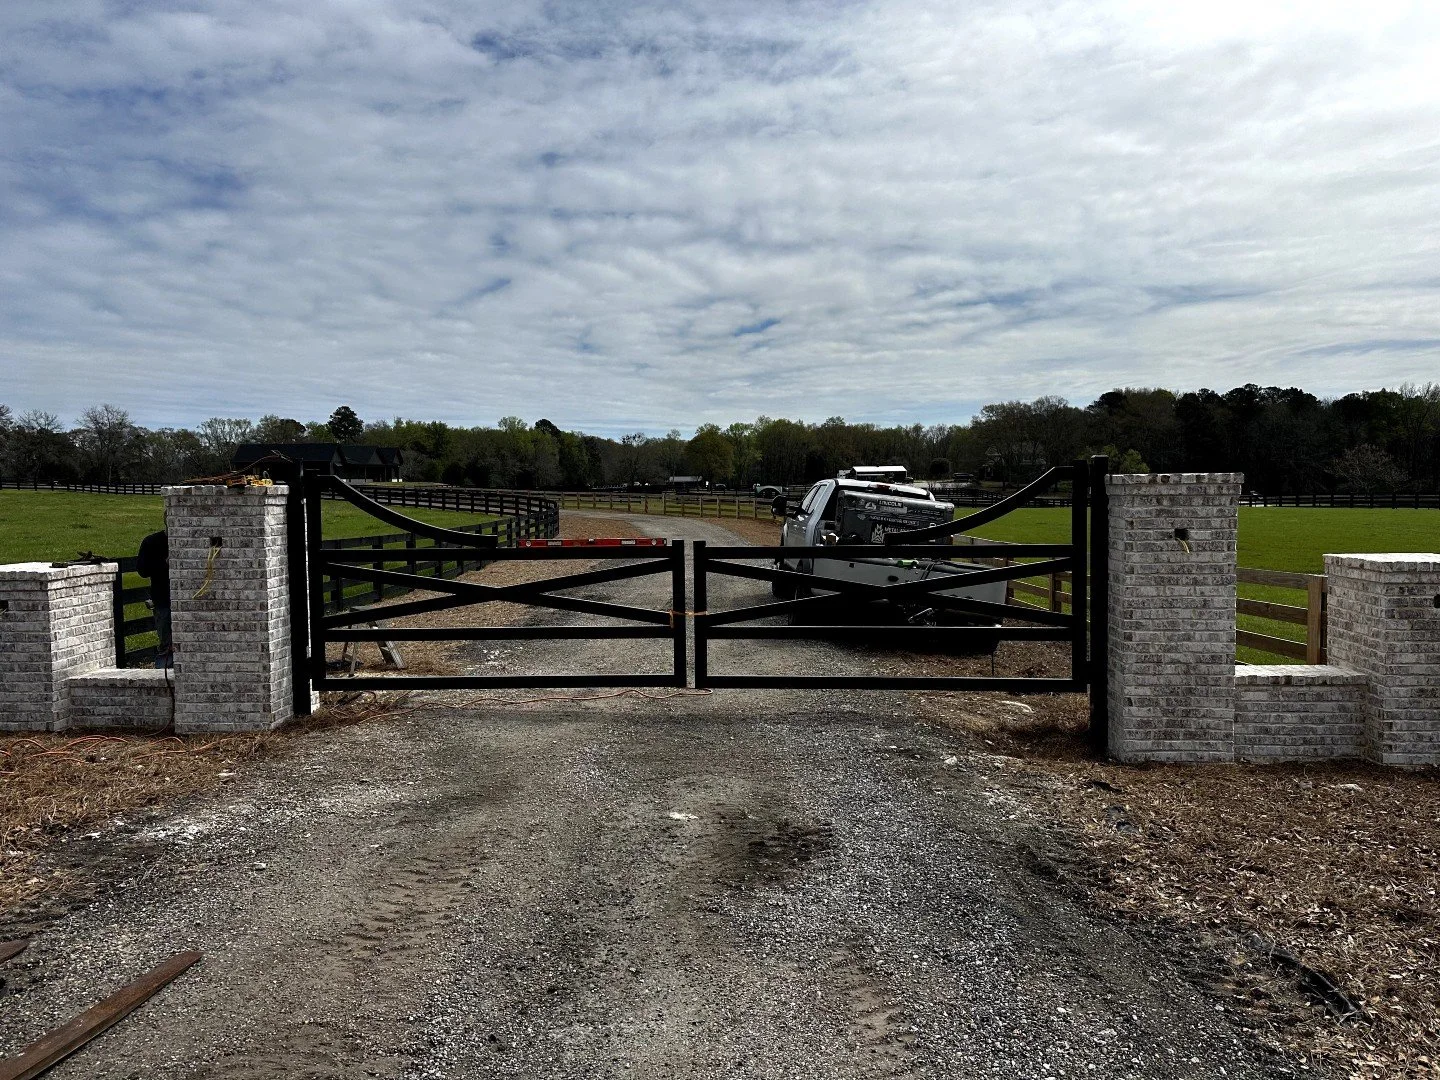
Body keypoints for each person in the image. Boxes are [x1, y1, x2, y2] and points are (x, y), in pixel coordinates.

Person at [136, 530, 172, 668]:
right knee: (166, 644)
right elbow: (142, 570)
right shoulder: (152, 542)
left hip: (184, 601)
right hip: (163, 599)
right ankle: (163, 677)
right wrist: (164, 563)